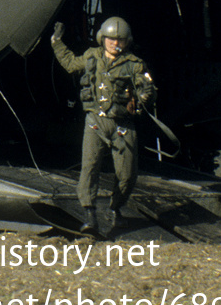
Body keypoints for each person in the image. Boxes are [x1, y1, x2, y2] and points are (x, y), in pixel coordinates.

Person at [51, 16, 156, 236]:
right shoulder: (92, 56)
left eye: (120, 40)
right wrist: (56, 42)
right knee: (89, 168)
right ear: (103, 38)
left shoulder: (134, 64)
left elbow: (146, 91)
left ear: (127, 42)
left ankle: (116, 208)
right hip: (96, 122)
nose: (115, 44)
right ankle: (90, 215)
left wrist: (146, 95)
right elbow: (71, 63)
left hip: (123, 125)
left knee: (127, 174)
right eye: (111, 39)